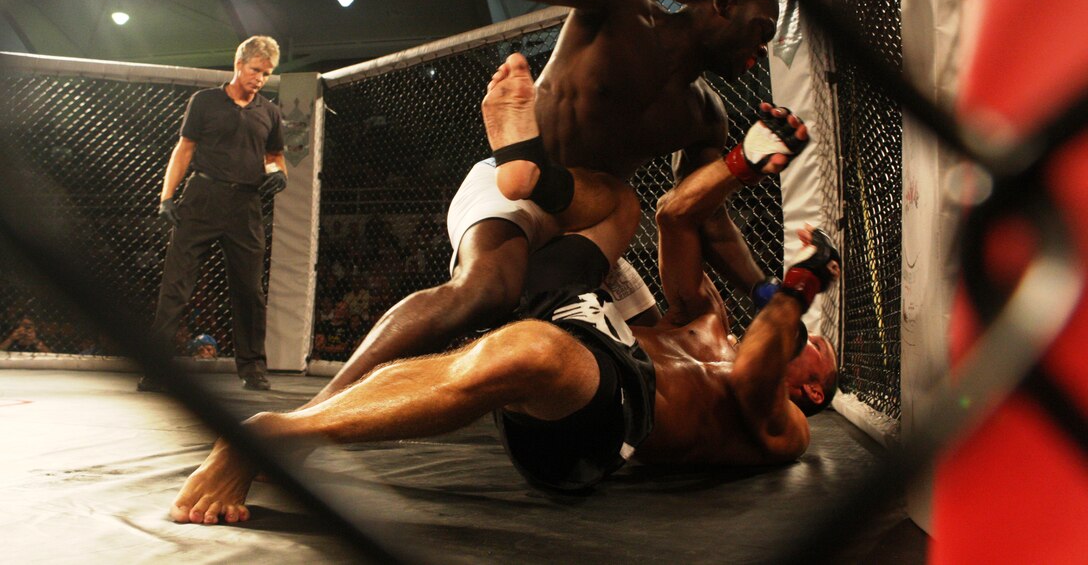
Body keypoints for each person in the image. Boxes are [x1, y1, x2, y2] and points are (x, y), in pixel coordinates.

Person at [167, 102, 838, 524]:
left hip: (604, 413)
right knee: (626, 207)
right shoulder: (708, 318)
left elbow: (755, 372)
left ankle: (279, 433)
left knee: (526, 350)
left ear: (810, 386)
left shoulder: (785, 427)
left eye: (816, 345)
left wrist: (801, 285)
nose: (806, 333)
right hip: (583, 314)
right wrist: (742, 163)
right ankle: (530, 175)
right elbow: (677, 213)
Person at [307, 0, 782, 406]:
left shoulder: (705, 116)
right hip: (514, 191)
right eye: (761, 30)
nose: (761, 50)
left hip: (593, 227)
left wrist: (763, 291)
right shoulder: (624, 8)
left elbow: (704, 217)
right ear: (721, 3)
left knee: (650, 356)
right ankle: (318, 410)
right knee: (482, 291)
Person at [138, 35, 288, 393]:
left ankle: (252, 369)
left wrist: (280, 174)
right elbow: (184, 148)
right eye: (255, 70)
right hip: (203, 197)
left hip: (246, 206)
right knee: (175, 286)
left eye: (266, 74)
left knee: (250, 291)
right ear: (238, 65)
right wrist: (166, 197)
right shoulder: (204, 101)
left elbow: (274, 156)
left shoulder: (270, 112)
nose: (260, 79)